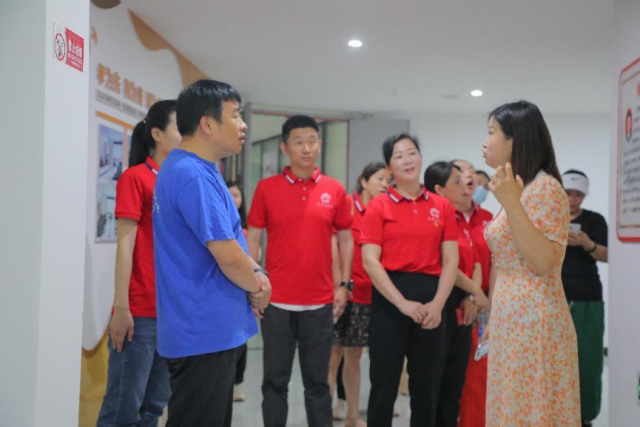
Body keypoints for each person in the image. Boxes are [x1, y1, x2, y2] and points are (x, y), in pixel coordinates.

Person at [153, 80, 271, 427]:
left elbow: (232, 242)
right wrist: (259, 285)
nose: (243, 124)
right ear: (207, 124)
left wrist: (257, 274)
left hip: (206, 328)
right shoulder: (193, 175)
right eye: (235, 115)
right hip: (203, 331)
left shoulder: (198, 169)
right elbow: (228, 256)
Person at [247, 115, 354, 427]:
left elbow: (346, 239)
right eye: (298, 142)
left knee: (318, 384)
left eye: (312, 141)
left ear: (319, 144)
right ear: (285, 147)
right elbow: (253, 237)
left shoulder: (334, 189)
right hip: (276, 301)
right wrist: (253, 283)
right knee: (274, 381)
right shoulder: (267, 188)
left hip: (319, 303)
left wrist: (344, 284)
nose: (306, 148)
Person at [481, 100, 580, 426]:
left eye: (492, 132)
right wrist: (494, 317)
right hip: (511, 318)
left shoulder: (545, 188)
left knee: (531, 410)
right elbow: (506, 262)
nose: (485, 142)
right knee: (511, 408)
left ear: (516, 140)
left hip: (535, 322)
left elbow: (543, 261)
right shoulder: (519, 189)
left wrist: (512, 204)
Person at [361, 134, 459, 427]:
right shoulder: (379, 205)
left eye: (412, 152)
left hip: (432, 299)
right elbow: (370, 261)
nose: (407, 160)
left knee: (426, 387)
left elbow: (451, 260)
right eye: (399, 155)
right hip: (390, 300)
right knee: (384, 384)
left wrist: (438, 305)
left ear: (421, 157)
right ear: (390, 166)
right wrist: (402, 303)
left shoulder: (442, 206)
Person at [97, 100, 180, 427]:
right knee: (123, 409)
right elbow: (125, 246)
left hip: (171, 313)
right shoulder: (136, 178)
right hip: (139, 313)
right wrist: (121, 307)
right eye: (180, 126)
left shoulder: (179, 181)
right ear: (157, 134)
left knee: (154, 407)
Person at [423, 161, 489, 427]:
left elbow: (479, 264)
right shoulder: (436, 218)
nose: (467, 182)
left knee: (459, 381)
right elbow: (444, 263)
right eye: (458, 179)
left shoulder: (479, 218)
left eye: (468, 176)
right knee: (435, 382)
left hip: (472, 306)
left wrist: (474, 297)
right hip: (443, 303)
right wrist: (473, 292)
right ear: (440, 189)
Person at [328, 162, 392, 427]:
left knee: (354, 357)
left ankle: (352, 416)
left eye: (389, 180)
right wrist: (338, 285)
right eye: (380, 178)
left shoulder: (385, 209)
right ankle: (322, 416)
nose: (385, 184)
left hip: (368, 294)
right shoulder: (347, 204)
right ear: (364, 181)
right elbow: (333, 244)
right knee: (332, 356)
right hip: (341, 292)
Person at [561, 169, 608, 427]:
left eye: (577, 194)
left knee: (587, 360)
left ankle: (585, 415)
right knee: (554, 360)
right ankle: (556, 412)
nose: (572, 199)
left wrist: (587, 243)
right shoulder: (547, 218)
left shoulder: (594, 221)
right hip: (553, 298)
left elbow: (609, 255)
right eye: (567, 193)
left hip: (587, 297)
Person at [451, 160, 494, 427]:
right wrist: (470, 295)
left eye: (483, 185)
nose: (477, 188)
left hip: (483, 304)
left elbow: (494, 263)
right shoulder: (444, 216)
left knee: (479, 374)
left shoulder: (489, 219)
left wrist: (486, 301)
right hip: (451, 302)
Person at [226, 180, 249, 403]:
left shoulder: (244, 226)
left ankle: (236, 384)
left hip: (244, 290)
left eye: (237, 195)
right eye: (230, 194)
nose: (234, 199)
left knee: (242, 343)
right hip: (226, 290)